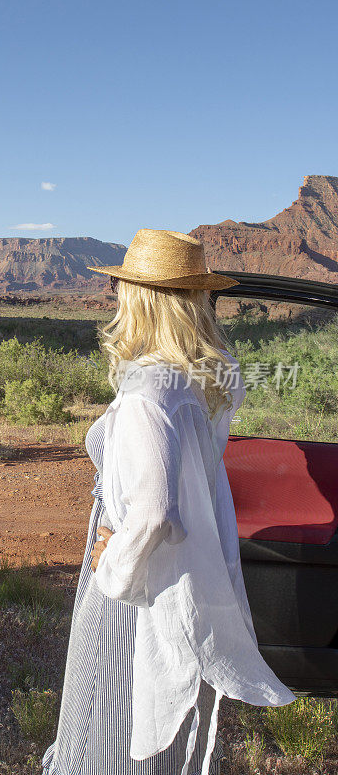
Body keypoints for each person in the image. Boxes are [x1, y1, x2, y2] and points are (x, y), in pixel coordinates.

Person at [42, 230, 295, 775]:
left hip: (135, 578)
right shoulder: (212, 373)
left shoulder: (147, 395)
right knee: (168, 710)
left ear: (141, 296)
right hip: (190, 571)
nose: (112, 292)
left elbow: (155, 511)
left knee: (109, 710)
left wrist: (112, 565)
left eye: (120, 284)